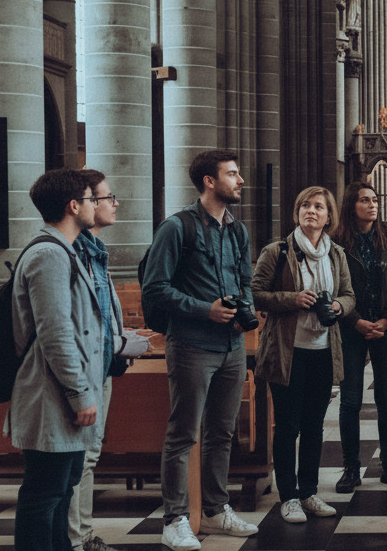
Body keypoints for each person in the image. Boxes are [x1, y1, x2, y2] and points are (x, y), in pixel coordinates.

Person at [142, 150, 259, 551]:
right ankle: (174, 520)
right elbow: (155, 288)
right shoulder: (177, 227)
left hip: (231, 345)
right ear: (209, 181)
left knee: (222, 433)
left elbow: (244, 279)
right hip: (192, 344)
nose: (240, 180)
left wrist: (244, 310)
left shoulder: (237, 230)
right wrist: (203, 309)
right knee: (183, 434)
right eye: (232, 174)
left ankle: (215, 509)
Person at [8, 168, 102, 551]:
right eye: (91, 199)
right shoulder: (49, 254)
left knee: (61, 493)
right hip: (51, 395)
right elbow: (56, 333)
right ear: (73, 205)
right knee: (44, 496)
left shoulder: (64, 249)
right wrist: (80, 394)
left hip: (60, 395)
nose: (97, 205)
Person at [251, 187, 356, 523]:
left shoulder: (336, 254)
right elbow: (256, 293)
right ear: (297, 212)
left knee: (314, 426)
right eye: (306, 205)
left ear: (329, 216)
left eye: (319, 207)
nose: (312, 211)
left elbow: (349, 294)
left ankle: (309, 492)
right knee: (287, 427)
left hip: (323, 351)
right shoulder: (277, 252)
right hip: (288, 352)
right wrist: (292, 299)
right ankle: (289, 497)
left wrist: (338, 305)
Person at [68, 170, 151, 551]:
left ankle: (82, 536)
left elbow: (97, 315)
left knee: (88, 456)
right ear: (80, 204)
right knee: (80, 458)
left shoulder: (94, 250)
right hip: (84, 373)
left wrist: (120, 339)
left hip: (99, 368)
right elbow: (66, 326)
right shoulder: (73, 252)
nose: (115, 203)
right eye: (106, 197)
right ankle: (76, 540)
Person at [330, 182, 387, 494]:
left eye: (375, 200)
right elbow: (333, 289)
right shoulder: (337, 243)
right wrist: (356, 321)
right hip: (350, 328)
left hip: (385, 328)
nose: (372, 205)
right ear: (352, 205)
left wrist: (386, 319)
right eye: (365, 200)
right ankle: (351, 469)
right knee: (350, 400)